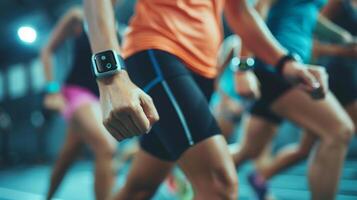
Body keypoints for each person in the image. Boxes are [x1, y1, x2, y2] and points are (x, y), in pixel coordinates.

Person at [83, 0, 327, 199]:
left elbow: (240, 13)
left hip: (203, 70)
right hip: (158, 53)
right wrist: (111, 76)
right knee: (219, 185)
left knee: (140, 189)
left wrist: (285, 63)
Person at [228, 0, 355, 199]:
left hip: (290, 65)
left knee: (249, 150)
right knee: (339, 130)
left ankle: (195, 170)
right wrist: (244, 67)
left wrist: (342, 37)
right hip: (278, 65)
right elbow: (252, 11)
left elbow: (308, 14)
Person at [41, 6, 118, 200]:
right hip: (76, 93)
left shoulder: (119, 27)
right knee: (106, 147)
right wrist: (52, 90)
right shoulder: (79, 17)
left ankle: (47, 197)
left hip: (99, 99)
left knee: (67, 155)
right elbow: (47, 50)